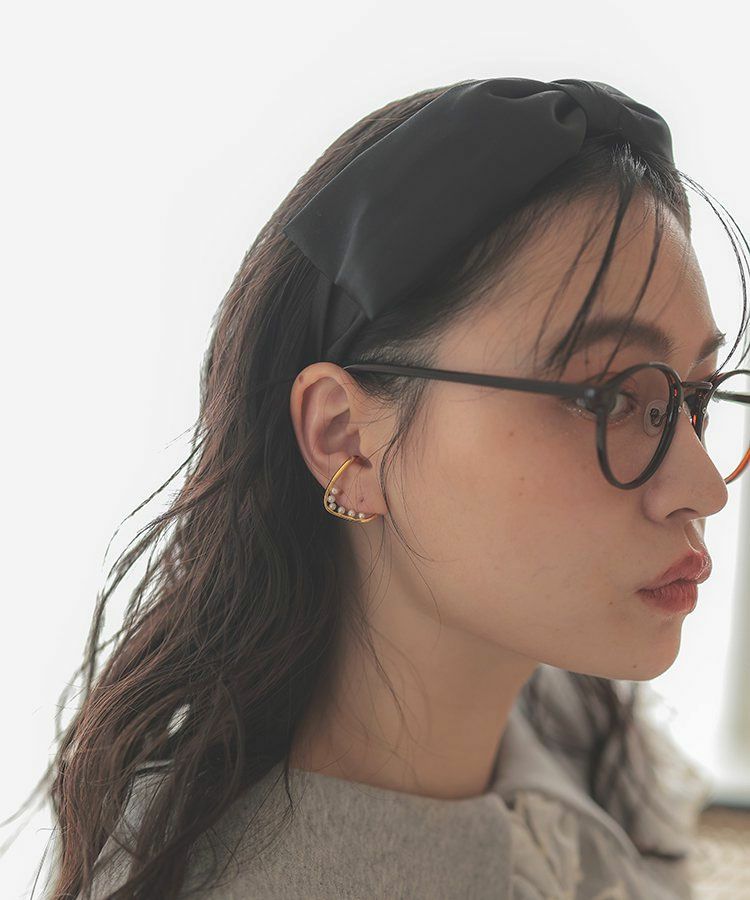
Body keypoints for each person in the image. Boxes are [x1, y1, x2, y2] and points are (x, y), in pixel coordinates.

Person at [33, 77, 749, 898]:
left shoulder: (579, 734)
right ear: (347, 439)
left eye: (694, 399)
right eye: (608, 397)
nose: (704, 489)